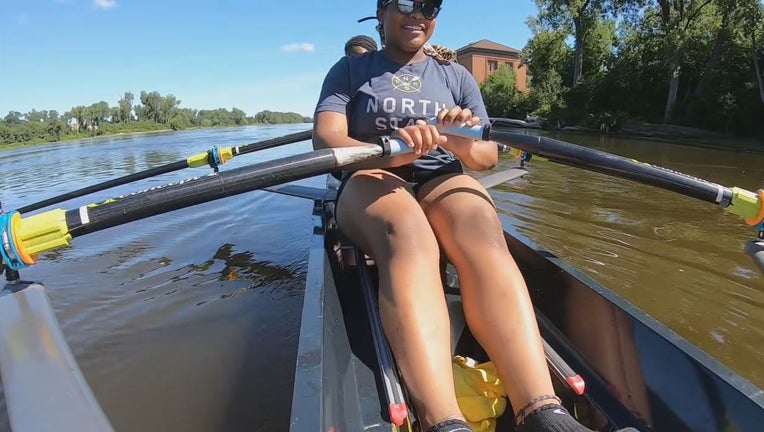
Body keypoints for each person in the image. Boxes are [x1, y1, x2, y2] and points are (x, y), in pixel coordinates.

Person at [314, 2, 639, 432]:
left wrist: (457, 139)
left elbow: (485, 155)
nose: (418, 13)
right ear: (381, 9)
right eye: (406, 3)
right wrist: (395, 149)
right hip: (372, 173)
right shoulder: (351, 70)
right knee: (408, 234)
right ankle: (443, 420)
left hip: (440, 177)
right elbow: (328, 138)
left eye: (429, 5)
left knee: (484, 232)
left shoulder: (456, 75)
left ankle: (543, 412)